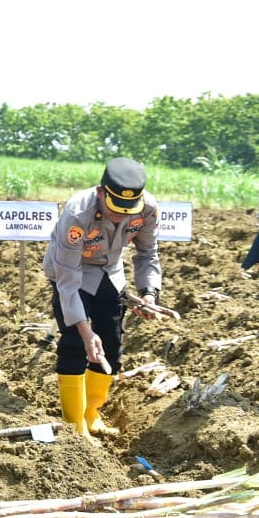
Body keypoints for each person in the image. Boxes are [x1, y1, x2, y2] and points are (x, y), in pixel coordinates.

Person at [44, 157, 161, 437]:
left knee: (110, 341)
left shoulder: (147, 209)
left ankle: (91, 413)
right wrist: (85, 330)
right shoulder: (78, 214)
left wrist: (149, 294)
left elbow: (147, 253)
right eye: (114, 208)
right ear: (100, 192)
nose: (120, 216)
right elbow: (67, 278)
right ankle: (75, 424)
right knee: (76, 343)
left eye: (127, 210)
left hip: (110, 271)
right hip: (71, 271)